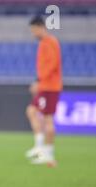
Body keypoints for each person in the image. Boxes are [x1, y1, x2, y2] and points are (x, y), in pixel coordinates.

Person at [25, 16, 62, 166]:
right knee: (32, 111)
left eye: (34, 30)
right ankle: (40, 147)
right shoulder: (44, 43)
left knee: (47, 119)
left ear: (40, 27)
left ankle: (48, 153)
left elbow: (52, 64)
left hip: (49, 87)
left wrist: (39, 81)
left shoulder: (50, 42)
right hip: (45, 86)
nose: (33, 33)